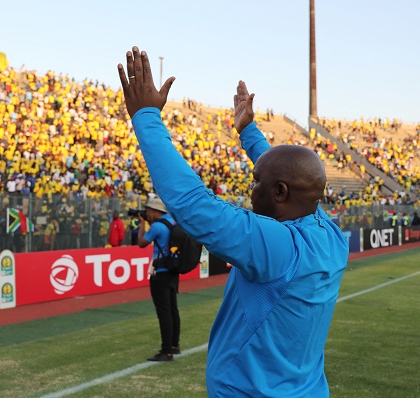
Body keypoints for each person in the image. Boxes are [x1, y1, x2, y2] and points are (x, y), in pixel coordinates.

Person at [118, 47, 348, 396]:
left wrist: (146, 116)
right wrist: (249, 132)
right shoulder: (329, 233)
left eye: (257, 183)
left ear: (280, 193)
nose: (251, 189)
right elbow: (289, 176)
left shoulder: (279, 246)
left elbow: (194, 206)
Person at [137, 195, 180, 362]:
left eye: (148, 211)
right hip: (172, 269)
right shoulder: (173, 221)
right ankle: (174, 345)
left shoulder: (157, 226)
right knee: (172, 309)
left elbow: (141, 243)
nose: (147, 213)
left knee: (164, 312)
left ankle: (166, 350)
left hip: (160, 271)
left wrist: (142, 225)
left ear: (155, 212)